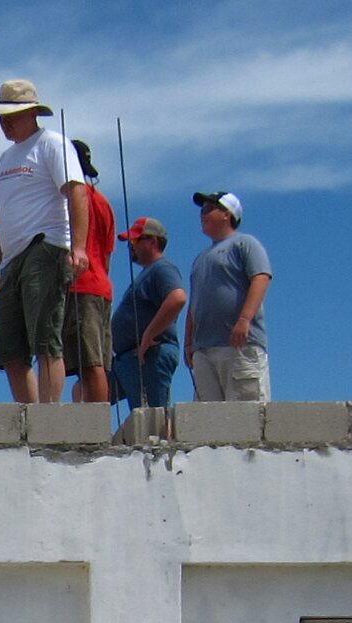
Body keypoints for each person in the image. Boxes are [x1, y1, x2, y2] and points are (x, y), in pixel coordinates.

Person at [0, 78, 88, 404]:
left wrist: (78, 247)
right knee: (9, 347)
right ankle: (28, 414)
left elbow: (76, 192)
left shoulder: (52, 144)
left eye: (12, 115)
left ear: (32, 113)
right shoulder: (6, 158)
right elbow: (2, 213)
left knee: (45, 338)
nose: (5, 123)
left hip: (45, 245)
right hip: (11, 258)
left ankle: (49, 414)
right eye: (2, 116)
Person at [187, 190, 272, 402]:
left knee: (246, 414)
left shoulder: (245, 243)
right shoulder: (200, 259)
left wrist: (244, 320)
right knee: (208, 418)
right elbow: (194, 304)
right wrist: (189, 344)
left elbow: (261, 278)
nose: (202, 214)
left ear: (227, 214)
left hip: (240, 346)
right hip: (204, 350)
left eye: (209, 209)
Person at [109, 216, 187, 417]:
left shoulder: (162, 268)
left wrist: (148, 336)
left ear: (152, 242)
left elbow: (177, 298)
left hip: (150, 355)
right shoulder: (147, 273)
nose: (130, 246)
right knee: (86, 390)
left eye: (135, 240)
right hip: (128, 359)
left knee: (153, 419)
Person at [65, 141, 118, 404]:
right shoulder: (103, 202)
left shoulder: (70, 199)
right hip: (101, 286)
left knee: (90, 364)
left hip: (80, 285)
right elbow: (107, 256)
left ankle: (97, 421)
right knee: (96, 363)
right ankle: (96, 417)